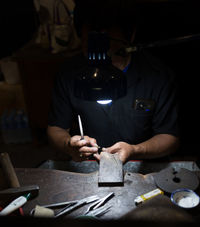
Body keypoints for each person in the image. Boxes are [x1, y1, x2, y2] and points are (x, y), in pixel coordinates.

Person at [47, 0, 179, 164]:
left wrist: (134, 150)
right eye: (91, 51)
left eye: (110, 52)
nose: (102, 64)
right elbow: (56, 128)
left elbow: (169, 137)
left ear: (130, 37)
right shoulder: (69, 73)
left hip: (141, 163)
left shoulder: (157, 75)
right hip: (89, 163)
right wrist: (69, 145)